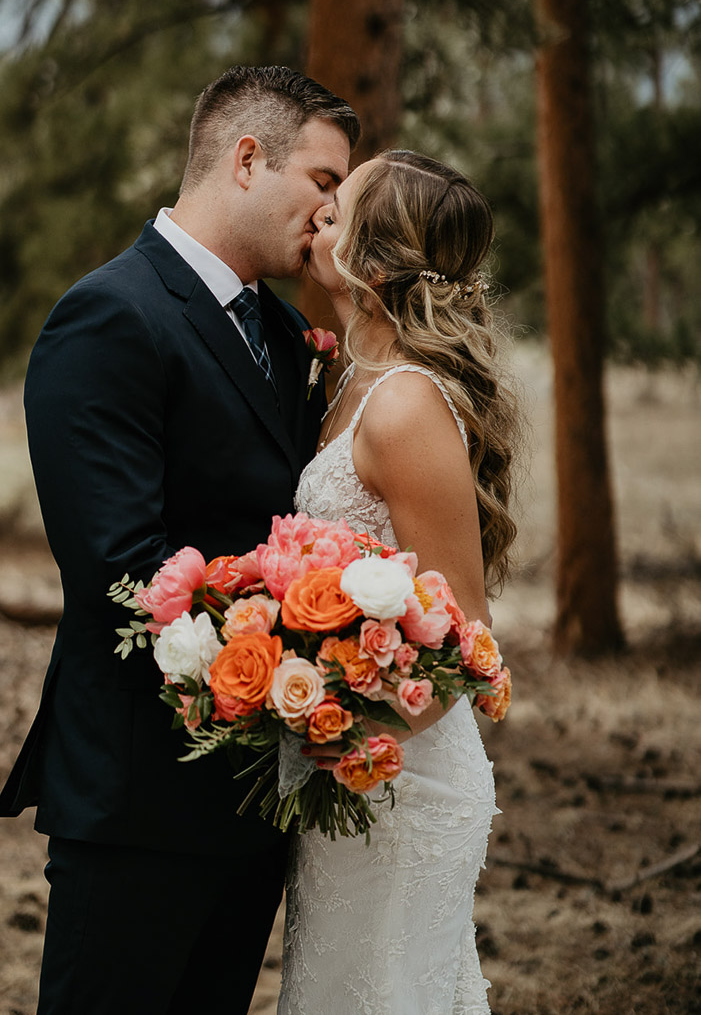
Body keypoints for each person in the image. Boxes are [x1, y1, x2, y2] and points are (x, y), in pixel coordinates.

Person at [0, 65, 360, 1015]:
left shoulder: (283, 330)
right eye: (323, 184)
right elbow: (120, 565)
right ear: (247, 158)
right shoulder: (110, 315)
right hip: (138, 796)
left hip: (253, 796)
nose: (328, 218)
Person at [278, 150, 519, 1015]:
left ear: (371, 265)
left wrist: (346, 728)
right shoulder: (346, 378)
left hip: (401, 781)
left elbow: (467, 632)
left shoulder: (405, 404)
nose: (315, 217)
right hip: (347, 775)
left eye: (334, 208)